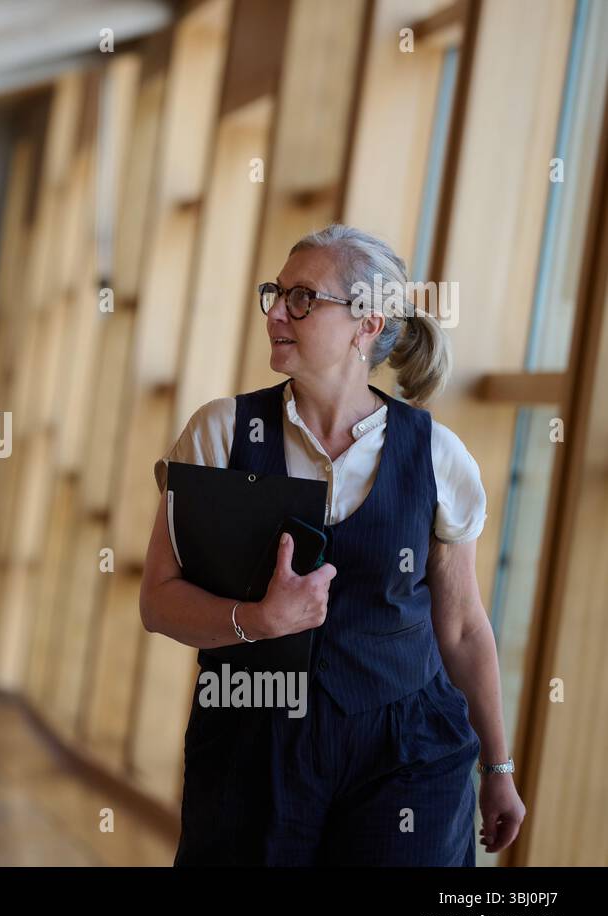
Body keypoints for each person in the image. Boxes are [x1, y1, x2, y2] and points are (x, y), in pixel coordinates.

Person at [138, 223, 525, 865]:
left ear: (366, 323)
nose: (275, 315)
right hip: (251, 742)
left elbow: (460, 628)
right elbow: (158, 601)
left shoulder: (436, 454)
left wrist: (499, 765)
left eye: (302, 298)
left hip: (407, 751)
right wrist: (257, 621)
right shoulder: (220, 434)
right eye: (276, 293)